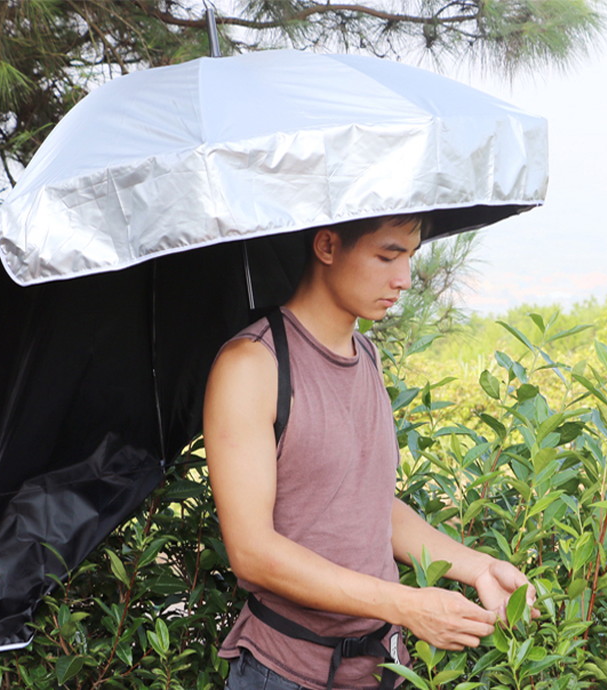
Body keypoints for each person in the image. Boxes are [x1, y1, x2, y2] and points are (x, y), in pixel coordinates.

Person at [203, 214, 537, 690]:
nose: (403, 279)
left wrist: (479, 568)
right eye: (387, 255)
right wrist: (407, 604)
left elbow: (368, 505)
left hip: (381, 670)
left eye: (411, 256)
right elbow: (252, 552)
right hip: (285, 673)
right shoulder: (253, 365)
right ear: (326, 246)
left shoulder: (367, 355)